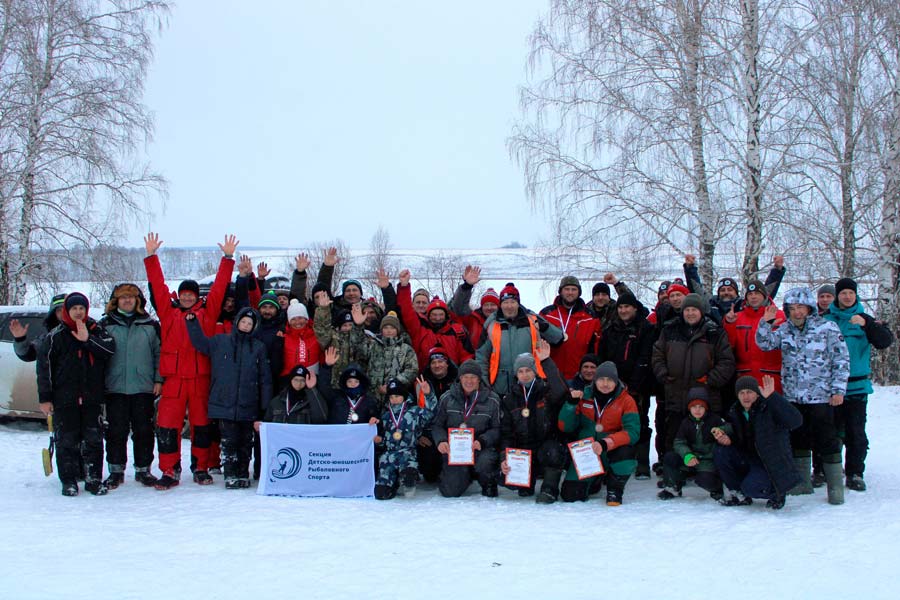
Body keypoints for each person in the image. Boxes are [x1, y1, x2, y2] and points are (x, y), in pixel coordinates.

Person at [143, 232, 237, 489]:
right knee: (167, 426)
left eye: (190, 294)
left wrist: (227, 258)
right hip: (173, 379)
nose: (186, 297)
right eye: (183, 294)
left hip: (200, 378)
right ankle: (169, 470)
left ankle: (201, 467)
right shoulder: (168, 312)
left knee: (202, 425)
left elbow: (219, 287)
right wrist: (151, 257)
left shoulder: (207, 314)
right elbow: (158, 287)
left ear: (197, 296)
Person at [756, 287, 850, 505]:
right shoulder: (784, 329)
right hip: (794, 397)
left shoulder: (827, 328)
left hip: (821, 396)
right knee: (798, 439)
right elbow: (764, 343)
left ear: (810, 308)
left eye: (801, 308)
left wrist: (838, 390)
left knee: (828, 440)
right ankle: (801, 483)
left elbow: (841, 360)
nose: (797, 312)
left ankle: (835, 487)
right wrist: (766, 322)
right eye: (792, 308)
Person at [36, 292, 116, 496]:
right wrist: (45, 398)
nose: (78, 312)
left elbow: (108, 351)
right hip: (65, 398)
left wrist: (87, 340)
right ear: (66, 312)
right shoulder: (55, 336)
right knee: (66, 441)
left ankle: (93, 479)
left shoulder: (97, 329)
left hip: (92, 397)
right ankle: (69, 480)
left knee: (94, 440)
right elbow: (44, 369)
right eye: (74, 309)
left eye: (81, 308)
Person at [186, 307, 272, 488]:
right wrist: (192, 323)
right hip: (224, 402)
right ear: (237, 322)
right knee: (229, 441)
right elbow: (201, 344)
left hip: (249, 404)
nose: (246, 326)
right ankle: (230, 474)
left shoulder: (258, 347)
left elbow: (265, 379)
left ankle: (242, 473)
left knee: (245, 443)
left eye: (250, 324)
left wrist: (264, 407)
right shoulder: (221, 341)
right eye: (243, 322)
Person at [823, 278, 893, 491]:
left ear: (855, 296)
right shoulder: (827, 319)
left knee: (855, 432)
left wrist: (868, 324)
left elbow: (884, 341)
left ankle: (855, 472)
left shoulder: (864, 319)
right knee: (830, 432)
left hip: (857, 386)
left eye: (850, 293)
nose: (846, 297)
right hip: (831, 387)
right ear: (837, 296)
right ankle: (829, 471)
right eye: (843, 293)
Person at [651, 293, 735, 452]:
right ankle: (672, 467)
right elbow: (657, 354)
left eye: (694, 309)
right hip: (675, 391)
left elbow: (726, 361)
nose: (690, 313)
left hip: (705, 393)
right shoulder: (670, 330)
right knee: (674, 434)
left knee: (705, 435)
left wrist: (711, 380)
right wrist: (663, 374)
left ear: (701, 311)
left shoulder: (714, 332)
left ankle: (705, 469)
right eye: (687, 309)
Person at [98, 283, 162, 488]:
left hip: (143, 387)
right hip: (115, 387)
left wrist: (159, 379)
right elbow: (98, 357)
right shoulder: (105, 324)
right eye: (123, 298)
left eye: (131, 297)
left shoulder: (150, 325)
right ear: (116, 301)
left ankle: (143, 470)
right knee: (116, 431)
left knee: (143, 431)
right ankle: (116, 471)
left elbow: (159, 354)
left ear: (137, 301)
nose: (127, 301)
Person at [712, 376, 802, 509]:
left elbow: (796, 421)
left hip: (769, 462)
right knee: (721, 451)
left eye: (749, 392)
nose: (745, 396)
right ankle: (738, 493)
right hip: (749, 458)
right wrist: (726, 436)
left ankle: (777, 493)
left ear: (757, 393)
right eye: (742, 393)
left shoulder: (768, 407)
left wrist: (773, 397)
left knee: (751, 488)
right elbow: (737, 431)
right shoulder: (736, 411)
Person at [558, 361, 639, 505]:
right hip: (586, 453)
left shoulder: (626, 400)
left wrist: (607, 442)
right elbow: (565, 427)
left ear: (616, 381)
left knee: (626, 454)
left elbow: (632, 432)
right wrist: (570, 404)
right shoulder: (584, 396)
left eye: (610, 380)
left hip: (610, 450)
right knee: (570, 495)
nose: (605, 384)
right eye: (601, 379)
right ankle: (595, 478)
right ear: (595, 380)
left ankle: (615, 489)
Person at [499, 342, 569, 503]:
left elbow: (562, 391)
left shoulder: (546, 390)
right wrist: (505, 457)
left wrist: (546, 362)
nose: (525, 374)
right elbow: (506, 433)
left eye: (528, 370)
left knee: (554, 451)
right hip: (523, 451)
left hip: (546, 445)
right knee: (517, 488)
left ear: (535, 371)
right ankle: (526, 481)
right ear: (516, 374)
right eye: (521, 371)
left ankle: (549, 489)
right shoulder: (509, 399)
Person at [595, 291, 655, 479]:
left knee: (640, 421)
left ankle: (642, 462)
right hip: (611, 385)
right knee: (611, 421)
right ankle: (610, 459)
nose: (623, 310)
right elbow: (603, 358)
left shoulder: (645, 328)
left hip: (638, 385)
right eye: (620, 307)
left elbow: (646, 358)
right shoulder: (610, 329)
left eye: (627, 307)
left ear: (635, 308)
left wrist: (634, 385)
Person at [475, 282, 563, 398]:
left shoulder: (532, 320)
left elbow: (558, 338)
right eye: (505, 302)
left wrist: (545, 327)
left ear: (518, 304)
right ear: (500, 305)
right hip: (500, 387)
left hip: (531, 384)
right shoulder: (491, 324)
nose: (509, 306)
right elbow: (481, 357)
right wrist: (485, 384)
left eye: (513, 302)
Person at [431, 360, 502, 497]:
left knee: (485, 461)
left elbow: (497, 428)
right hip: (456, 450)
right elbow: (437, 425)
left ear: (479, 379)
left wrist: (482, 441)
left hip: (480, 448)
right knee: (450, 492)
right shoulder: (447, 398)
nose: (469, 381)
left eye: (473, 377)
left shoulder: (492, 400)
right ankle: (461, 475)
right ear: (460, 378)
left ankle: (487, 481)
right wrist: (441, 441)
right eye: (466, 377)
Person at [373, 377, 438, 499]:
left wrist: (428, 394)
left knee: (409, 473)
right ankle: (393, 482)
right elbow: (384, 439)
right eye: (391, 397)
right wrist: (379, 441)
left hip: (407, 452)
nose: (394, 400)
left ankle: (408, 480)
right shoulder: (385, 416)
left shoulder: (414, 412)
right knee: (381, 494)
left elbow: (431, 412)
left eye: (397, 396)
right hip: (389, 456)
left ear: (404, 396)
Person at [397, 269, 473, 369]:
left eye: (441, 314)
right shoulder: (420, 329)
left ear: (446, 316)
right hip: (424, 378)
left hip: (451, 379)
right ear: (428, 315)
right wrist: (404, 287)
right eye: (434, 315)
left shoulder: (457, 331)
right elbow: (406, 309)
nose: (437, 318)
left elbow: (466, 357)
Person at [658, 388, 725, 502]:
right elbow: (679, 442)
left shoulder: (715, 420)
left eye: (701, 407)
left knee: (704, 479)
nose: (697, 410)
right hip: (690, 458)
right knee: (670, 457)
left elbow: (728, 428)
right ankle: (673, 487)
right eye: (694, 407)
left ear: (706, 408)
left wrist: (721, 431)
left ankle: (716, 489)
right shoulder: (686, 422)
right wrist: (687, 454)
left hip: (707, 461)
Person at [722, 279, 785, 393]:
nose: (753, 297)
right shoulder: (737, 317)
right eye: (750, 294)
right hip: (746, 377)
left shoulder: (779, 316)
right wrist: (729, 324)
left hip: (771, 377)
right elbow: (729, 346)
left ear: (764, 296)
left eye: (757, 293)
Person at [539, 275, 601, 380]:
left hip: (579, 376)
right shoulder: (546, 314)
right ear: (561, 291)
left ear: (579, 292)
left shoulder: (590, 317)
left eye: (574, 289)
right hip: (552, 374)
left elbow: (595, 348)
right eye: (566, 289)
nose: (570, 292)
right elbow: (537, 342)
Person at [357, 311, 419, 410]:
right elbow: (360, 355)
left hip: (395, 397)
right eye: (386, 328)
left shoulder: (406, 349)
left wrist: (392, 385)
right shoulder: (372, 345)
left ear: (397, 330)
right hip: (372, 396)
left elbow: (412, 370)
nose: (389, 331)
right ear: (381, 330)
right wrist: (359, 327)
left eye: (392, 328)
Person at [448, 265, 500, 352]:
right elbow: (459, 308)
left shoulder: (504, 320)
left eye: (493, 304)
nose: (489, 308)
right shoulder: (473, 319)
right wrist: (467, 286)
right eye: (486, 305)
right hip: (476, 361)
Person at [257, 365, 329, 426]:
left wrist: (312, 389)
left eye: (302, 380)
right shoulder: (277, 401)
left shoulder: (311, 400)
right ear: (290, 380)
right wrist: (260, 426)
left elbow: (321, 418)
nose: (298, 383)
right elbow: (267, 423)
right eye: (296, 380)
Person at [8, 293, 66, 362]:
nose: (63, 313)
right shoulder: (49, 339)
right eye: (59, 310)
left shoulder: (81, 334)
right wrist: (20, 339)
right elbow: (28, 354)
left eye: (66, 309)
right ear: (54, 314)